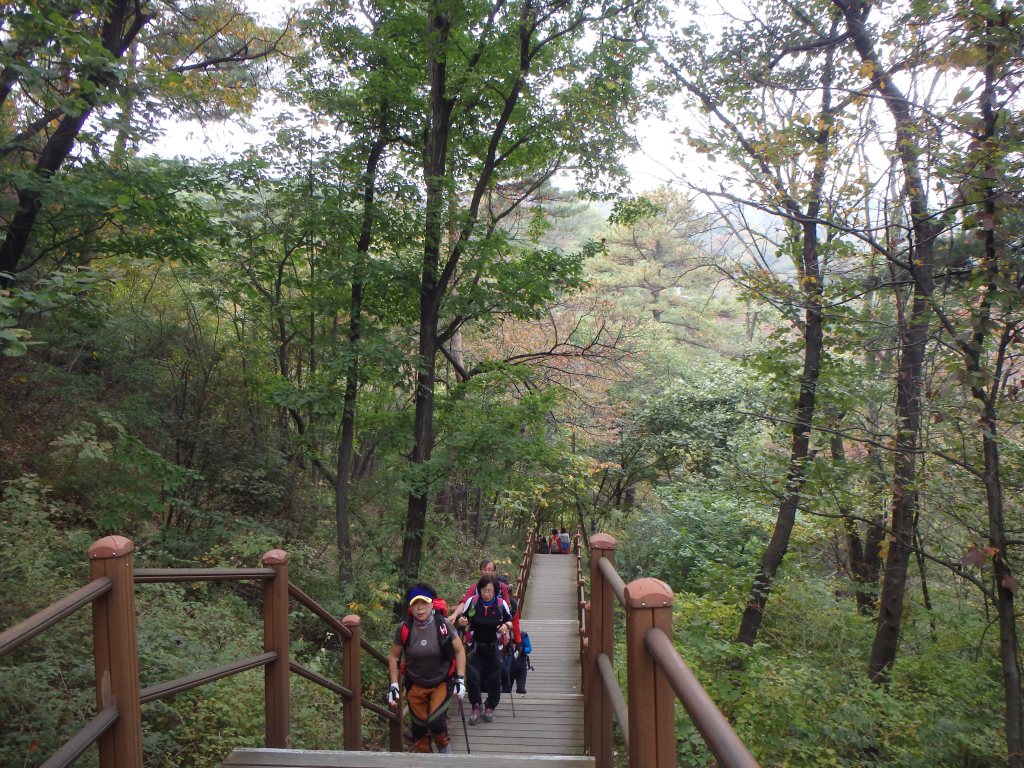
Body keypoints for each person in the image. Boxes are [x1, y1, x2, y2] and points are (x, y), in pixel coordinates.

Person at [387, 584, 467, 753]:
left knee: (437, 722)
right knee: (419, 731)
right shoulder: (404, 629)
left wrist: (460, 679)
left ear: (432, 604)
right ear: (410, 606)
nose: (420, 607)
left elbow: (459, 651)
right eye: (415, 603)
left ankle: (447, 759)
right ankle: (423, 761)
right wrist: (394, 685)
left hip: (441, 681)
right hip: (415, 684)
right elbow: (394, 656)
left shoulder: (443, 625)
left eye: (424, 602)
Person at [459, 574, 514, 724]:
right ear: (479, 589)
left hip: (494, 646)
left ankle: (490, 706)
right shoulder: (472, 602)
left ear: (495, 590)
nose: (486, 593)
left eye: (489, 590)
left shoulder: (500, 604)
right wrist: (462, 621)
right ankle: (476, 705)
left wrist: (506, 626)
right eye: (483, 590)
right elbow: (463, 618)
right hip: (475, 647)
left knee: (495, 678)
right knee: (473, 677)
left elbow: (511, 621)